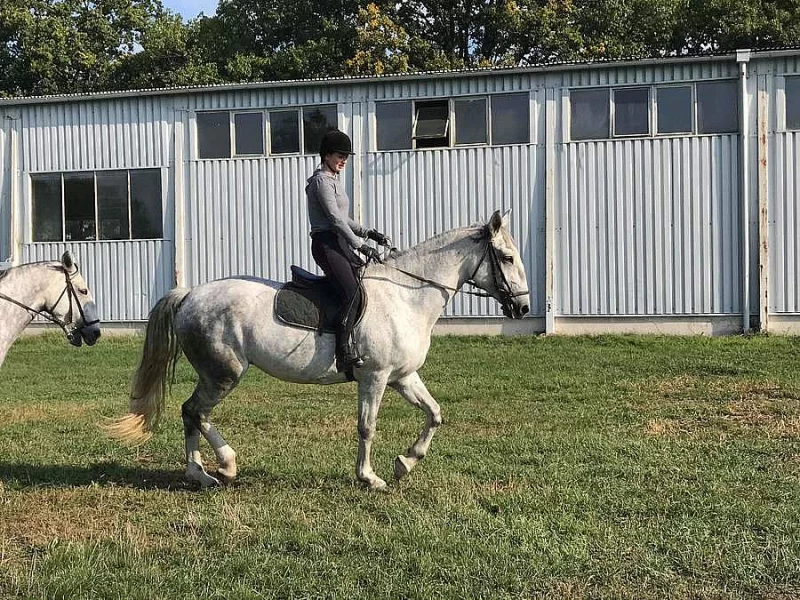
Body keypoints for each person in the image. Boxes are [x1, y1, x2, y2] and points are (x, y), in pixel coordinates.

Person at [306, 129, 390, 370]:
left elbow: (346, 219)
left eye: (346, 156)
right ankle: (342, 352)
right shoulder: (321, 181)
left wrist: (369, 232)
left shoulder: (334, 181)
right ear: (326, 155)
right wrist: (361, 245)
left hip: (339, 241)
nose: (344, 160)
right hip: (326, 243)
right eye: (340, 155)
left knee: (365, 284)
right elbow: (334, 220)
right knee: (352, 291)